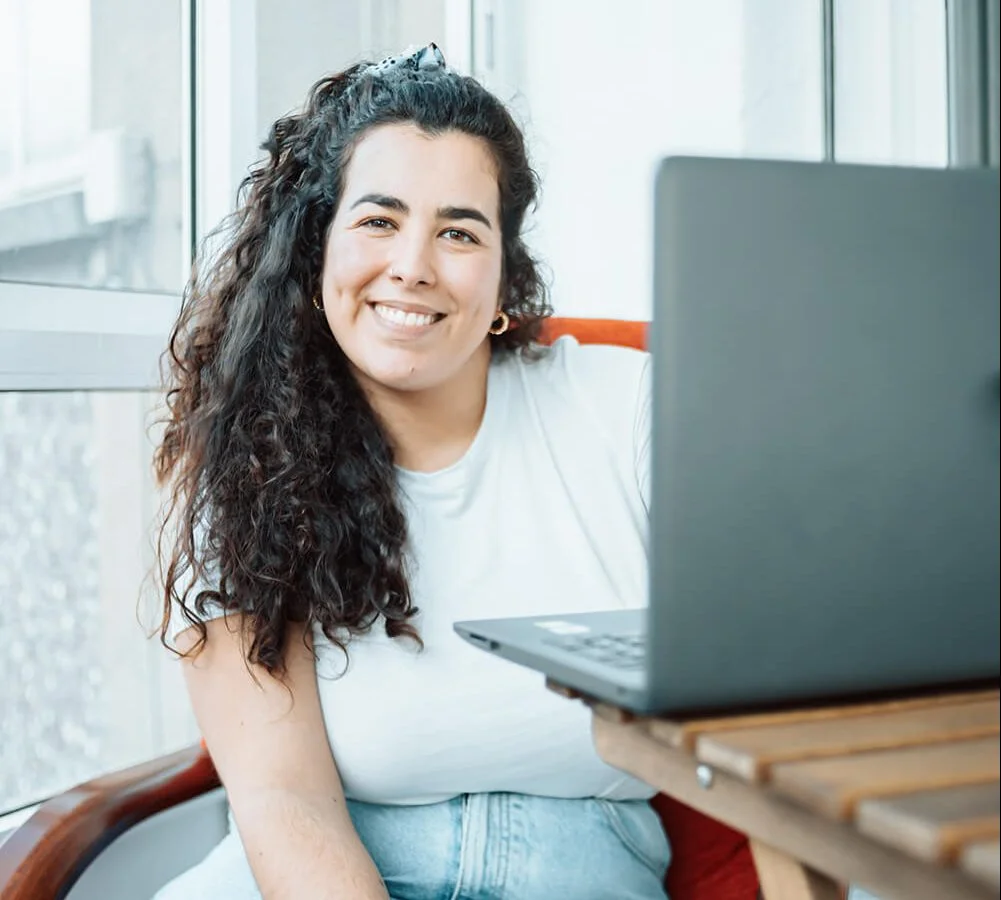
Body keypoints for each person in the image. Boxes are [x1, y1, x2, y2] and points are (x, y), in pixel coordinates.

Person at [152, 43, 666, 900]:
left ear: (506, 275)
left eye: (459, 231)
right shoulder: (246, 464)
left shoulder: (626, 404)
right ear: (316, 257)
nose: (414, 266)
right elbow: (285, 802)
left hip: (576, 856)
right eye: (378, 220)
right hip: (317, 858)